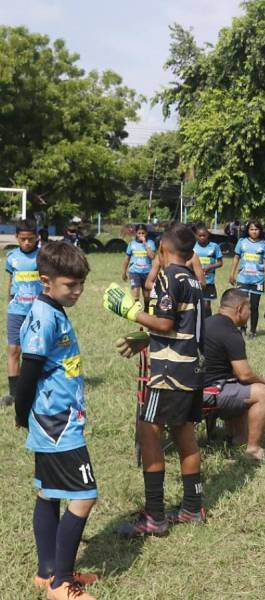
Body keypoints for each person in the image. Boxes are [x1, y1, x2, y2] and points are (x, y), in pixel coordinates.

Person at [103, 224, 206, 536]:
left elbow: (164, 321)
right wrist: (147, 339)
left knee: (148, 432)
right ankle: (192, 507)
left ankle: (154, 517)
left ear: (162, 249)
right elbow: (183, 327)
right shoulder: (194, 280)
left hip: (168, 375)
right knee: (184, 434)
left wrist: (130, 311)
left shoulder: (168, 276)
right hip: (191, 369)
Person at [14, 241, 98, 600]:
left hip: (55, 418)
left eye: (80, 284)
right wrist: (22, 413)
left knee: (48, 493)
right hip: (57, 425)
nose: (77, 291)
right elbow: (28, 369)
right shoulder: (44, 316)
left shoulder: (52, 309)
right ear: (46, 281)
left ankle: (47, 570)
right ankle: (62, 584)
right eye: (70, 285)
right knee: (84, 497)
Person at [203, 288, 265, 461]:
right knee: (260, 392)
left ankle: (236, 437)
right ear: (239, 308)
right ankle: (254, 450)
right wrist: (263, 380)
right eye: (249, 309)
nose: (250, 313)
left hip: (194, 388)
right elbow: (244, 375)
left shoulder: (205, 323)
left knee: (239, 388)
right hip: (209, 394)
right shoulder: (231, 333)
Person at [3, 219, 42, 407]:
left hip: (38, 311)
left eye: (31, 239)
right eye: (23, 239)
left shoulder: (43, 256)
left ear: (37, 238)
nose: (27, 243)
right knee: (13, 349)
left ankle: (39, 387)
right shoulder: (11, 257)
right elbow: (11, 282)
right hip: (16, 311)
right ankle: (14, 393)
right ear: (17, 237)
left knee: (37, 350)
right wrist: (9, 302)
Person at [229, 220, 265, 338]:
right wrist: (232, 274)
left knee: (254, 306)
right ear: (248, 230)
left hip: (258, 280)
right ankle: (242, 328)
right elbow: (236, 258)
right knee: (242, 305)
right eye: (252, 229)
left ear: (260, 231)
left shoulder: (263, 244)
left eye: (256, 229)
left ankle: (253, 331)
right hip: (243, 279)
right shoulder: (242, 242)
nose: (254, 231)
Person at [193, 223, 224, 315]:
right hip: (195, 280)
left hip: (208, 281)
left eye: (204, 235)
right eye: (200, 235)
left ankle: (207, 324)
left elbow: (220, 262)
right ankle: (195, 325)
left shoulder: (214, 246)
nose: (202, 237)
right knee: (195, 304)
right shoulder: (193, 246)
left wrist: (210, 267)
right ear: (196, 236)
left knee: (206, 305)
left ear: (208, 235)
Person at [122, 225, 156, 306]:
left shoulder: (150, 243)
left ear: (146, 233)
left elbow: (152, 257)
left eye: (143, 233)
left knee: (147, 295)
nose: (141, 235)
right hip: (134, 272)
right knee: (136, 290)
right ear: (136, 233)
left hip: (147, 273)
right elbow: (126, 259)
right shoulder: (131, 244)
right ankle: (137, 309)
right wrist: (124, 272)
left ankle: (146, 309)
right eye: (139, 233)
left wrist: (145, 243)